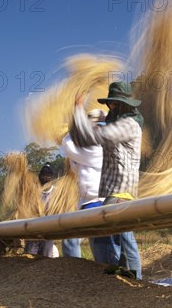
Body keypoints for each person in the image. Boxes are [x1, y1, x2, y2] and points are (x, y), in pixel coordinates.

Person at [71, 81, 143, 279]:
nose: (110, 109)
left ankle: (134, 283)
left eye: (114, 105)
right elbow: (84, 137)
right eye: (109, 105)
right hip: (115, 191)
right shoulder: (120, 124)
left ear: (123, 106)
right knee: (120, 237)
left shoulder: (128, 125)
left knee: (122, 239)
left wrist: (78, 109)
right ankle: (123, 279)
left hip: (122, 192)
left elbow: (90, 138)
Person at [60, 109, 106, 259]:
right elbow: (75, 162)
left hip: (97, 202)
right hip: (91, 202)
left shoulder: (96, 149)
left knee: (98, 244)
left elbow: (68, 147)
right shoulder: (89, 150)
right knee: (95, 242)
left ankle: (100, 275)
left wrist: (71, 130)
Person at [24, 164, 59, 258]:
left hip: (49, 230)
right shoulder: (33, 192)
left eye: (48, 175)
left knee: (46, 256)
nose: (46, 178)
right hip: (34, 229)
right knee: (30, 255)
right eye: (44, 175)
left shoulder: (56, 193)